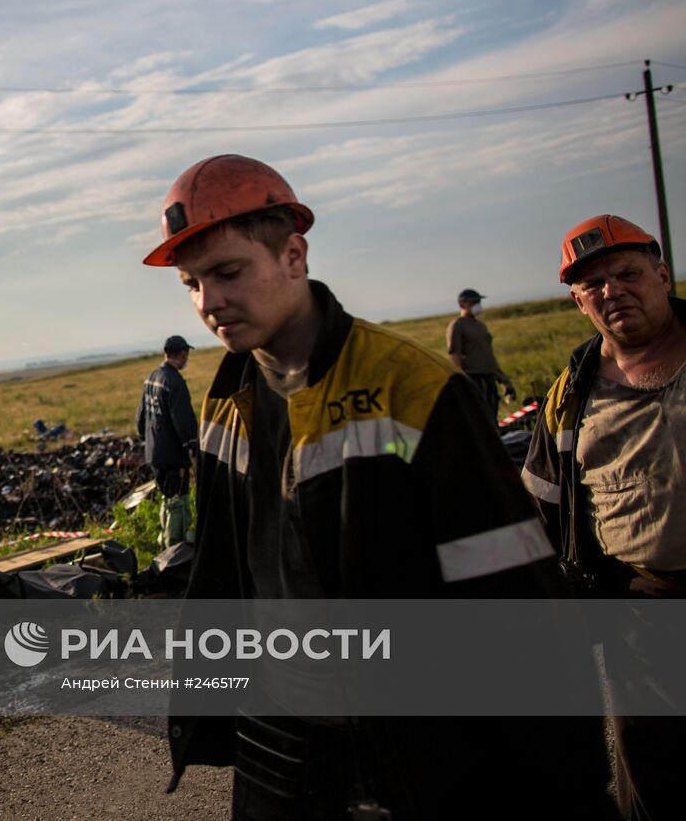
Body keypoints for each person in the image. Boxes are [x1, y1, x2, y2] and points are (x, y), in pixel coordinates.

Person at [143, 154, 612, 819]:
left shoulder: (412, 389)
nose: (208, 302)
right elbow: (229, 572)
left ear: (294, 255)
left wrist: (568, 786)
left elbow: (520, 606)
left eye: (227, 272)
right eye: (191, 282)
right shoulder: (228, 397)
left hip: (410, 745)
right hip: (281, 742)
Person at [521, 214, 686, 821]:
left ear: (662, 275)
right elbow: (542, 509)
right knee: (656, 771)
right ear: (577, 302)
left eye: (627, 274)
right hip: (642, 611)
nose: (613, 291)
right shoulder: (572, 392)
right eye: (594, 285)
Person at [135, 335, 199, 547]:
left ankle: (164, 541)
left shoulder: (152, 377)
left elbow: (141, 417)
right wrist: (192, 444)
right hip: (172, 455)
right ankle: (175, 549)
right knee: (177, 502)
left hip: (154, 452)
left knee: (166, 498)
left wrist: (149, 438)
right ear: (181, 354)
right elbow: (183, 419)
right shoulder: (174, 381)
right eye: (186, 354)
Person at [446, 287, 515, 418]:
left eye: (478, 301)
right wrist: (462, 381)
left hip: (489, 377)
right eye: (473, 302)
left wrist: (503, 380)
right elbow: (454, 354)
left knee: (492, 414)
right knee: (479, 416)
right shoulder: (457, 325)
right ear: (462, 304)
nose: (477, 305)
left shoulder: (480, 325)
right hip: (473, 378)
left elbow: (488, 354)